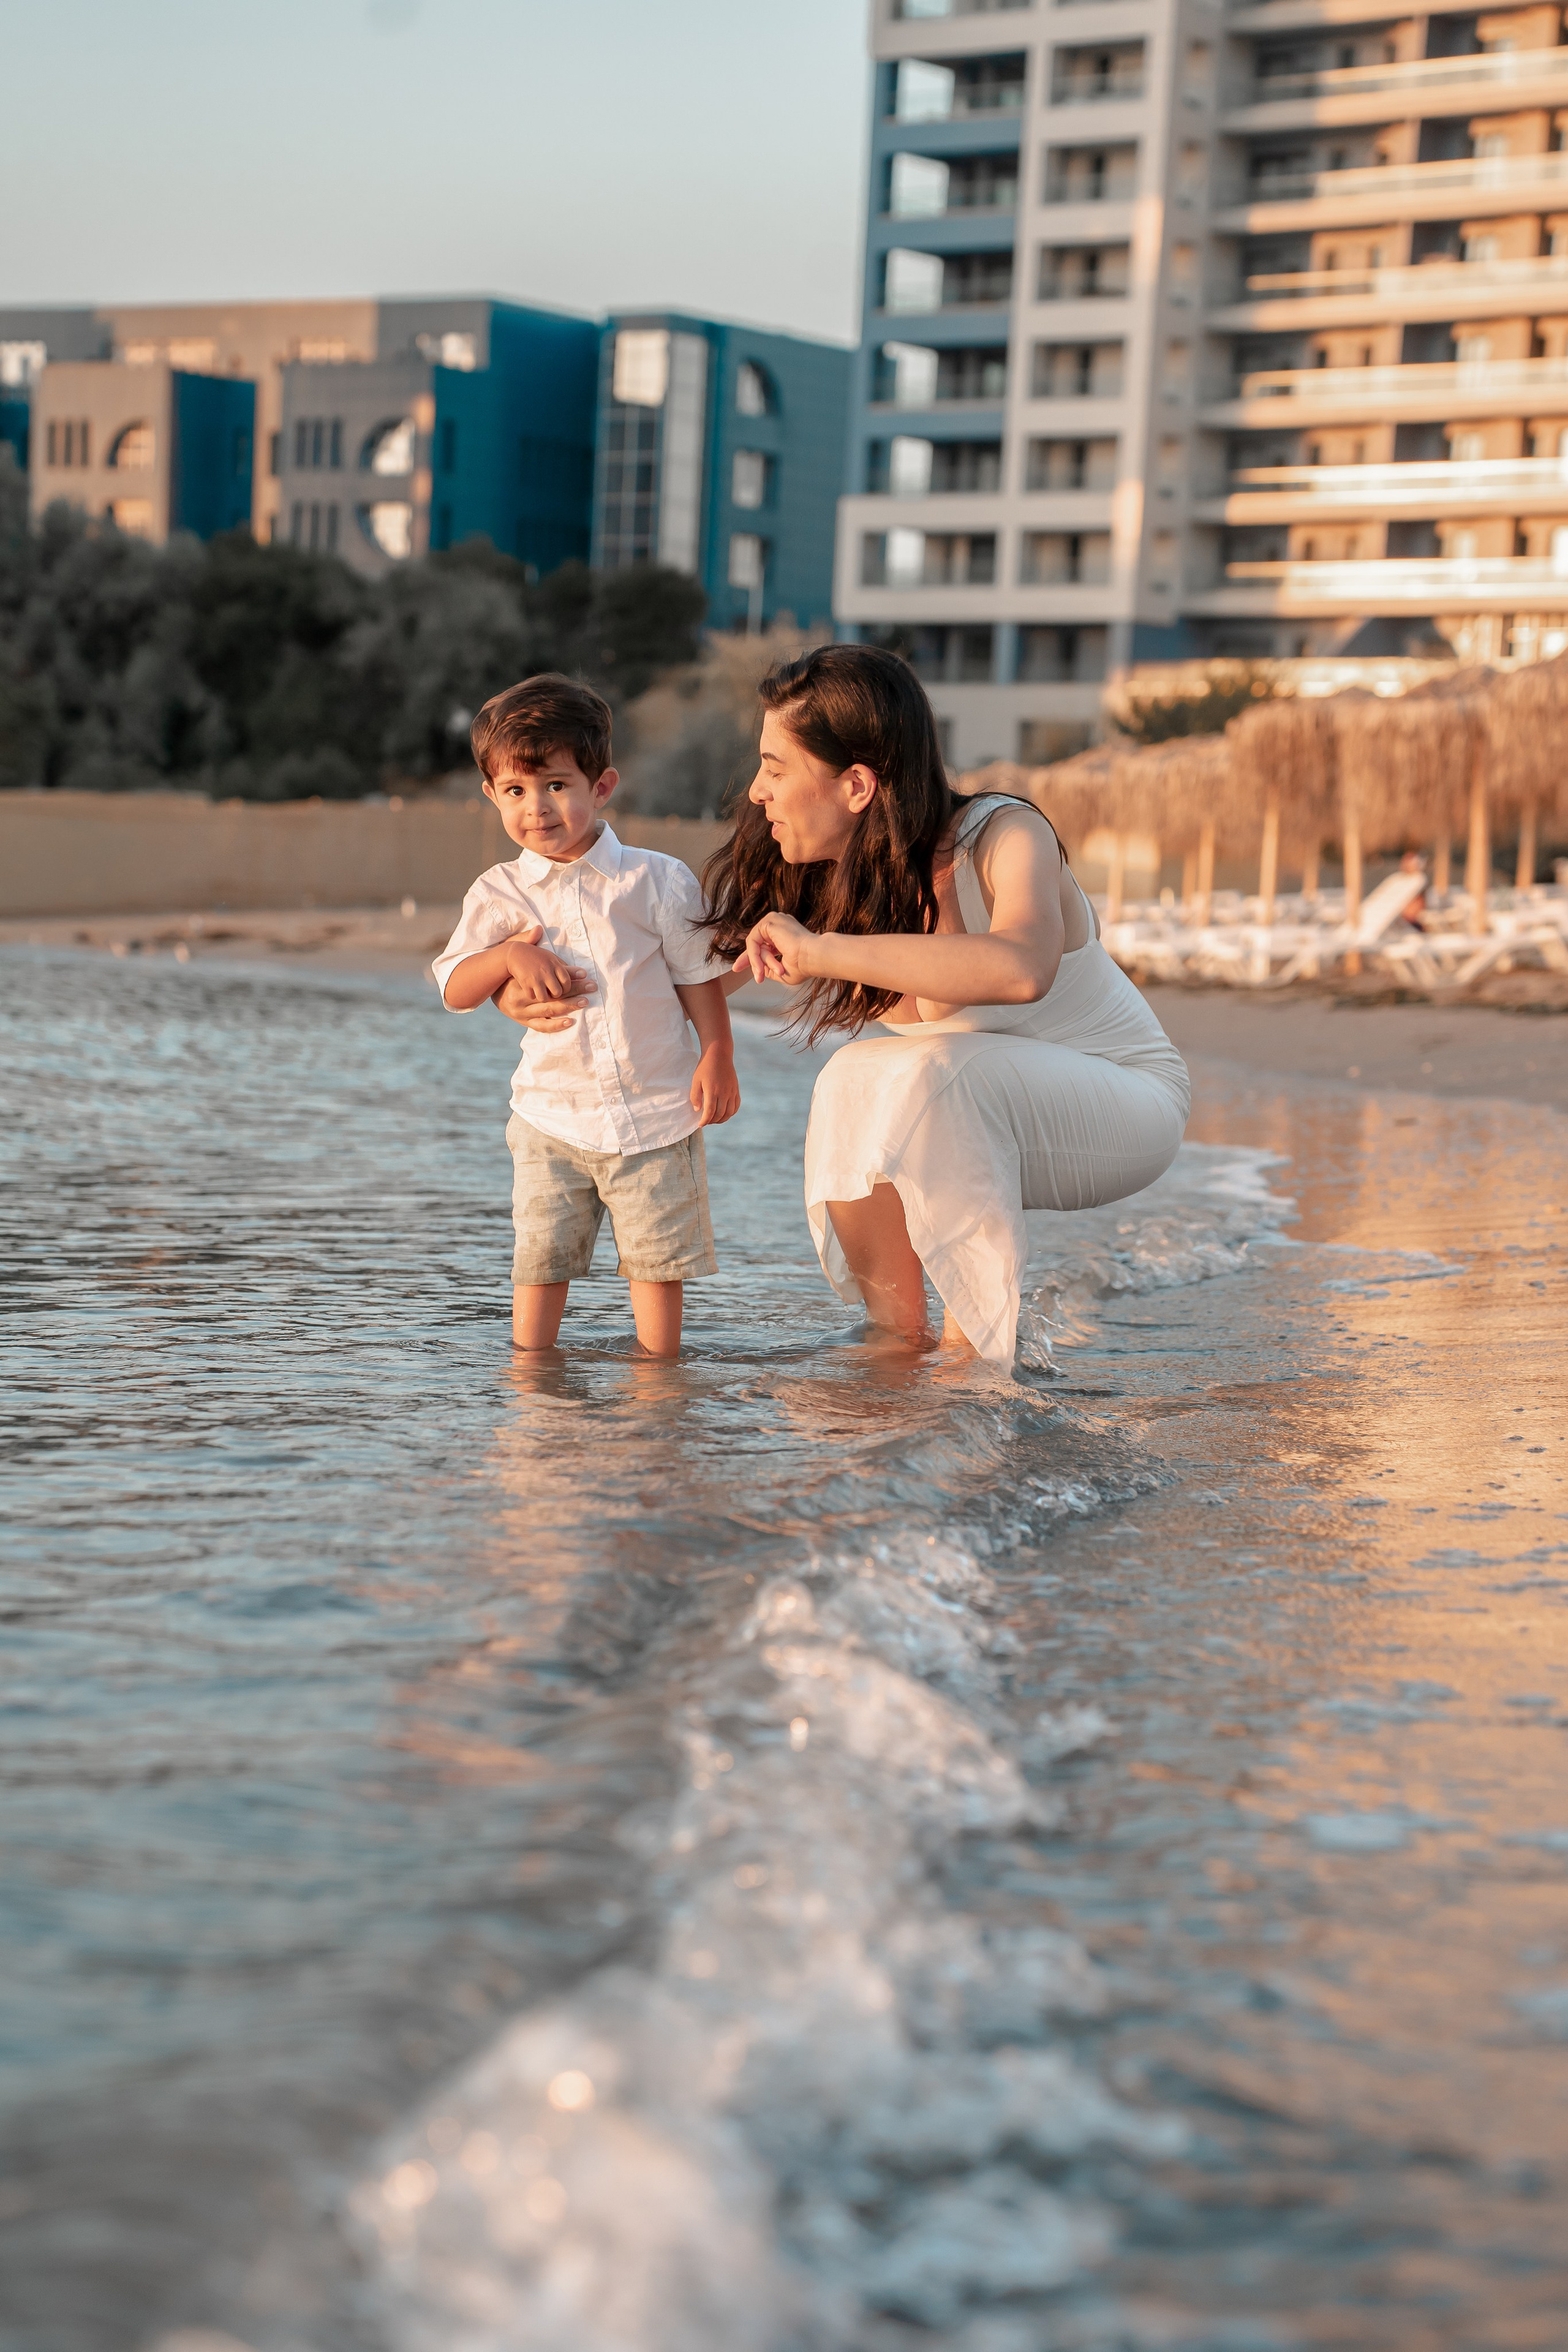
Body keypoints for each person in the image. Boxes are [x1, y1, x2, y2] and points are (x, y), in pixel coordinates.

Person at [703, 645, 1189, 1368]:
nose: (755, 792)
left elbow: (1022, 967)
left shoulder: (1001, 835)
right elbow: (688, 983)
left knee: (941, 1071)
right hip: (991, 1107)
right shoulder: (811, 866)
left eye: (775, 769)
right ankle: (894, 1347)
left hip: (1127, 1103)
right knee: (851, 1076)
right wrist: (523, 978)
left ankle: (974, 1368)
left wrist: (821, 952)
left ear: (858, 785)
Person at [433, 673, 739, 1357]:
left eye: (556, 786)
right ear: (491, 795)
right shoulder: (500, 891)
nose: (535, 808)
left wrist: (718, 1053)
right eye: (514, 791)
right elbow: (455, 985)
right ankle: (531, 1382)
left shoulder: (656, 880)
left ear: (601, 787)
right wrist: (510, 958)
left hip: (657, 1112)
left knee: (658, 1267)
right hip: (550, 1117)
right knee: (540, 1264)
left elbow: (698, 974)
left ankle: (659, 1389)